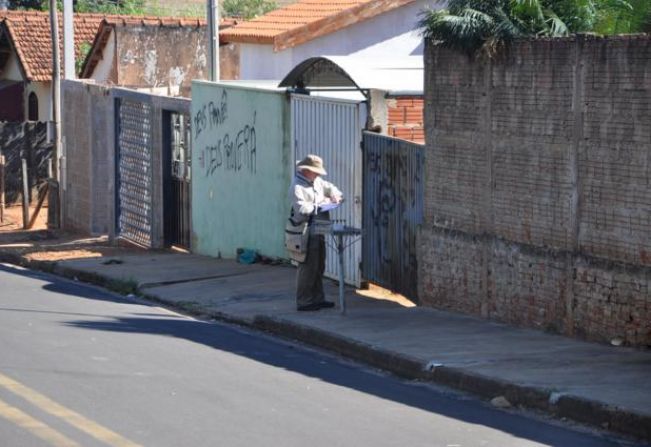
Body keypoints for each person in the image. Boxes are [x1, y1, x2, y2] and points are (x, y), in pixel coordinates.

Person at [289, 154, 343, 311]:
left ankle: (318, 298)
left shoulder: (316, 181)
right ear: (306, 170)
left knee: (319, 264)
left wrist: (335, 195)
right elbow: (301, 209)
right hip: (306, 230)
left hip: (319, 227)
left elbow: (329, 187)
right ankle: (304, 301)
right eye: (315, 171)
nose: (318, 174)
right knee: (308, 266)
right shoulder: (297, 187)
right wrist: (320, 205)